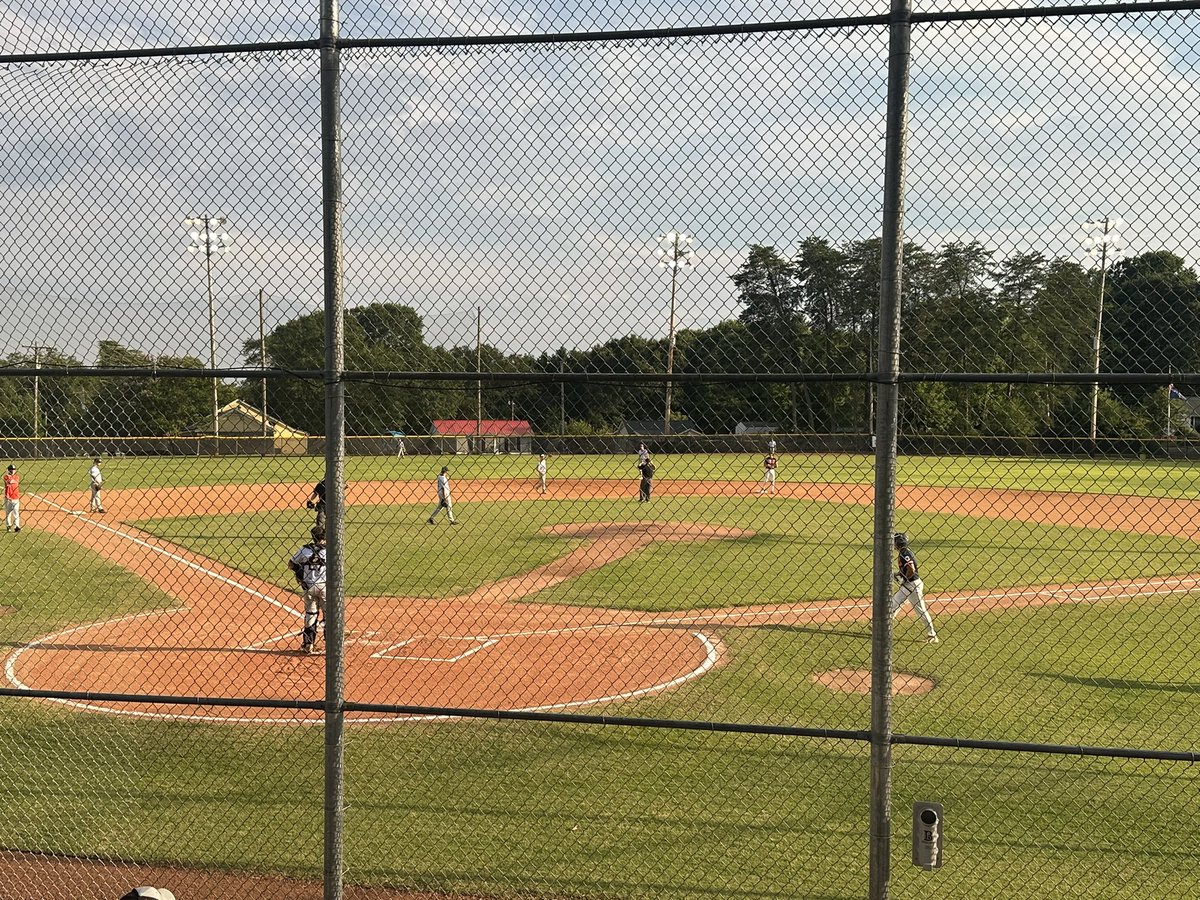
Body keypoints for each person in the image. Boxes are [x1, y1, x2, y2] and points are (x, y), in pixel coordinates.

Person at [890, 532, 938, 644]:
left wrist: (904, 579)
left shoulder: (905, 553)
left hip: (912, 585)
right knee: (895, 603)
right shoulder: (904, 552)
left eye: (894, 542)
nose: (893, 544)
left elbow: (911, 569)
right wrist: (899, 575)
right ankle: (884, 626)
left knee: (920, 610)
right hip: (909, 585)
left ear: (898, 542)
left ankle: (932, 635)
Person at [288, 526, 327, 654]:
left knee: (311, 614)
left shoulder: (305, 550)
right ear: (324, 537)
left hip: (308, 586)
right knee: (329, 615)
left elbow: (291, 564)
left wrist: (299, 572)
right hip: (324, 586)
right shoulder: (330, 550)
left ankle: (308, 644)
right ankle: (331, 644)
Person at [4, 464, 20, 533]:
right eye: (11, 469)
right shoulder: (6, 476)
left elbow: (13, 481)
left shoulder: (17, 477)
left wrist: (11, 481)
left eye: (14, 469)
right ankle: (8, 525)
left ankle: (17, 526)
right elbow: (8, 482)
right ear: (8, 470)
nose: (13, 471)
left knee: (16, 513)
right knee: (8, 513)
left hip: (16, 497)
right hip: (8, 498)